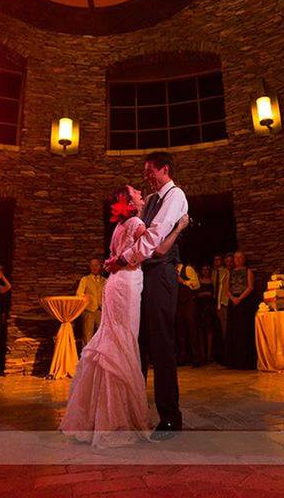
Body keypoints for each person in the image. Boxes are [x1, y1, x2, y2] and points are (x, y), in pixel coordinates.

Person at [61, 185, 189, 447]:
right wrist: (179, 228)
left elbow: (116, 256)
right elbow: (159, 249)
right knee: (125, 345)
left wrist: (116, 261)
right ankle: (119, 415)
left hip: (116, 283)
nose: (142, 195)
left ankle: (104, 412)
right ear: (130, 203)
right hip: (128, 283)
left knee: (115, 340)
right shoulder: (135, 223)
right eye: (137, 194)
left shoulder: (120, 226)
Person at [104, 151, 189, 440]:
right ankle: (132, 412)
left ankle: (170, 417)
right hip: (140, 275)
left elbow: (154, 238)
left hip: (161, 273)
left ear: (164, 169)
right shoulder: (150, 200)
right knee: (138, 343)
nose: (145, 177)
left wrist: (123, 260)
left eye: (149, 171)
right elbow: (134, 232)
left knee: (161, 341)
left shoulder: (175, 196)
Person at [224, 250, 257, 370]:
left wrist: (240, 298)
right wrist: (233, 298)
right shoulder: (230, 273)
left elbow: (250, 286)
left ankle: (246, 360)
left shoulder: (248, 271)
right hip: (233, 302)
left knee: (244, 330)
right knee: (234, 330)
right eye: (235, 258)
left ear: (244, 259)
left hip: (245, 302)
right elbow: (226, 289)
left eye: (240, 258)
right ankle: (234, 361)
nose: (237, 260)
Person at [76, 259, 105, 349]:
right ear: (89, 267)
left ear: (100, 267)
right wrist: (86, 299)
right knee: (87, 337)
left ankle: (100, 358)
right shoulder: (85, 279)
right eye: (92, 265)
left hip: (101, 311)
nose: (94, 267)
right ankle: (86, 359)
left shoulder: (105, 280)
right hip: (89, 311)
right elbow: (79, 294)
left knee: (102, 336)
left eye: (97, 265)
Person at [175, 261, 200, 366]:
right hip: (178, 303)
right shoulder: (171, 272)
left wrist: (183, 281)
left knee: (192, 330)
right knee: (180, 331)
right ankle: (182, 357)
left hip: (189, 302)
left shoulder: (187, 269)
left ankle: (196, 358)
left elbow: (197, 285)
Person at [194, 263, 218, 366]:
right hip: (200, 307)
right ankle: (202, 355)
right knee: (200, 332)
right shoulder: (198, 280)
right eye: (203, 269)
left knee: (210, 331)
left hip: (210, 308)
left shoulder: (213, 280)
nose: (205, 271)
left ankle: (210, 355)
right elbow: (195, 293)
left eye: (207, 269)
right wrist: (204, 294)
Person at [213, 254, 230, 348]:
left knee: (226, 327)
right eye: (215, 260)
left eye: (219, 259)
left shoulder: (226, 271)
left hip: (225, 301)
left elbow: (222, 288)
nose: (217, 262)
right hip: (215, 303)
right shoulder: (213, 273)